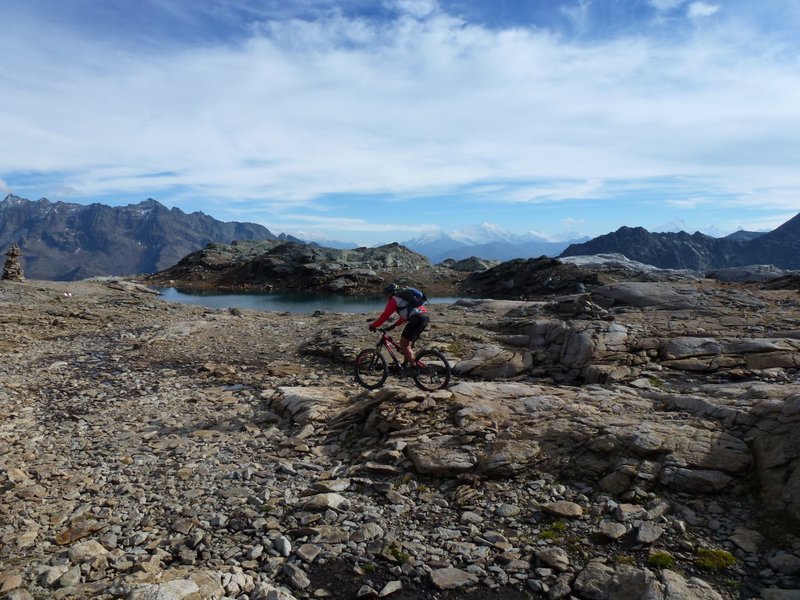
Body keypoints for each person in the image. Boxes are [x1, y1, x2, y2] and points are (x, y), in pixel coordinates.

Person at [369, 283, 429, 368]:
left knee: (403, 344)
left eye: (386, 294)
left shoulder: (394, 299)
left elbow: (385, 316)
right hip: (424, 318)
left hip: (417, 319)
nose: (386, 297)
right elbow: (403, 318)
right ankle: (407, 364)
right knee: (407, 344)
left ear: (390, 293)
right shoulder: (403, 300)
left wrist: (373, 325)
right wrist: (392, 326)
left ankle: (414, 368)